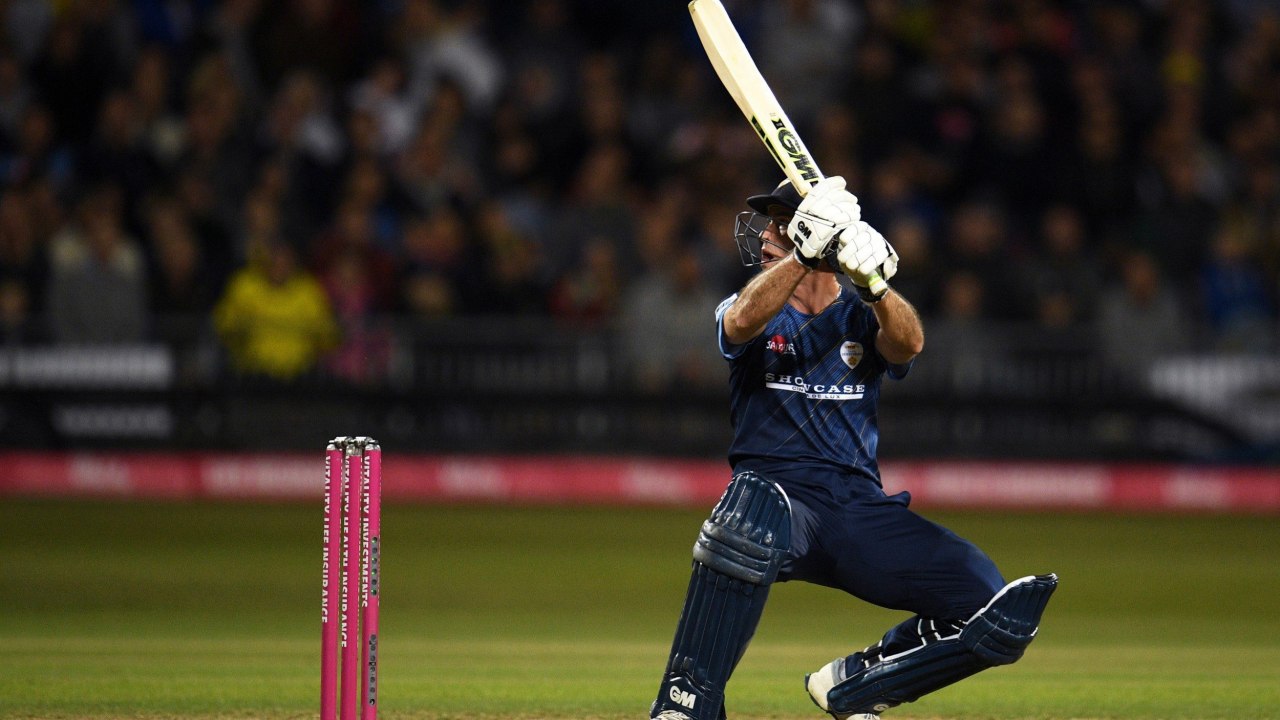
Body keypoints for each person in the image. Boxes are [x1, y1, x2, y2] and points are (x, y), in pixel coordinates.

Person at [650, 177, 1057, 720]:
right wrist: (801, 255)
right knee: (747, 512)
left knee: (992, 610)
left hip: (856, 509)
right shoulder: (754, 304)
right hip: (779, 501)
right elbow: (740, 322)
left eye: (782, 226)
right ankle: (686, 702)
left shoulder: (861, 316)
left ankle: (856, 685)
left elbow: (909, 343)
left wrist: (876, 285)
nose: (767, 236)